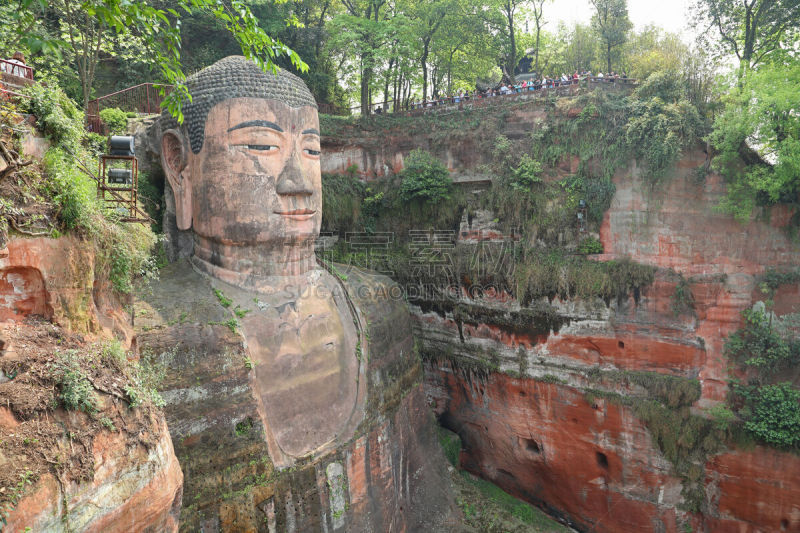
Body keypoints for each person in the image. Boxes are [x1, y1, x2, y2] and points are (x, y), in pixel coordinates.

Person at [152, 55, 455, 530]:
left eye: (311, 151)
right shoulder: (149, 339)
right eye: (261, 145)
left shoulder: (378, 304)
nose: (298, 182)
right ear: (178, 165)